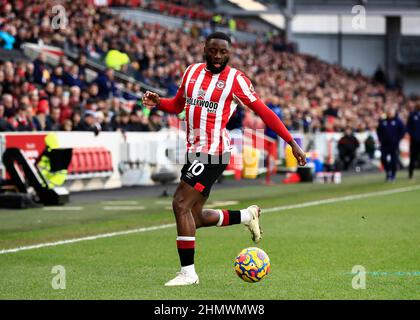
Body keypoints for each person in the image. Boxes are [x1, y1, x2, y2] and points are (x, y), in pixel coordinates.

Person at [142, 32, 306, 286]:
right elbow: (177, 106)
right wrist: (158, 103)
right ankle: (246, 216)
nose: (218, 57)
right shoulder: (190, 73)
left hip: (214, 152)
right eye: (213, 51)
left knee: (179, 203)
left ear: (229, 53)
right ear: (204, 48)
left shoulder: (236, 80)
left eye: (223, 52)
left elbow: (265, 113)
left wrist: (292, 143)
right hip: (194, 151)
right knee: (194, 217)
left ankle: (188, 274)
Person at [376, 107, 406, 182]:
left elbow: (402, 131)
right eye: (388, 112)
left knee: (394, 160)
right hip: (384, 144)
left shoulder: (398, 121)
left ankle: (393, 175)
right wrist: (381, 139)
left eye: (391, 112)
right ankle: (388, 172)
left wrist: (397, 139)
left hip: (394, 144)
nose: (390, 113)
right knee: (383, 158)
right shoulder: (383, 121)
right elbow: (379, 131)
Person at [407, 102, 420, 179]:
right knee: (413, 157)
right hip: (415, 141)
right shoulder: (412, 115)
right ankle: (410, 174)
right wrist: (414, 136)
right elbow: (408, 127)